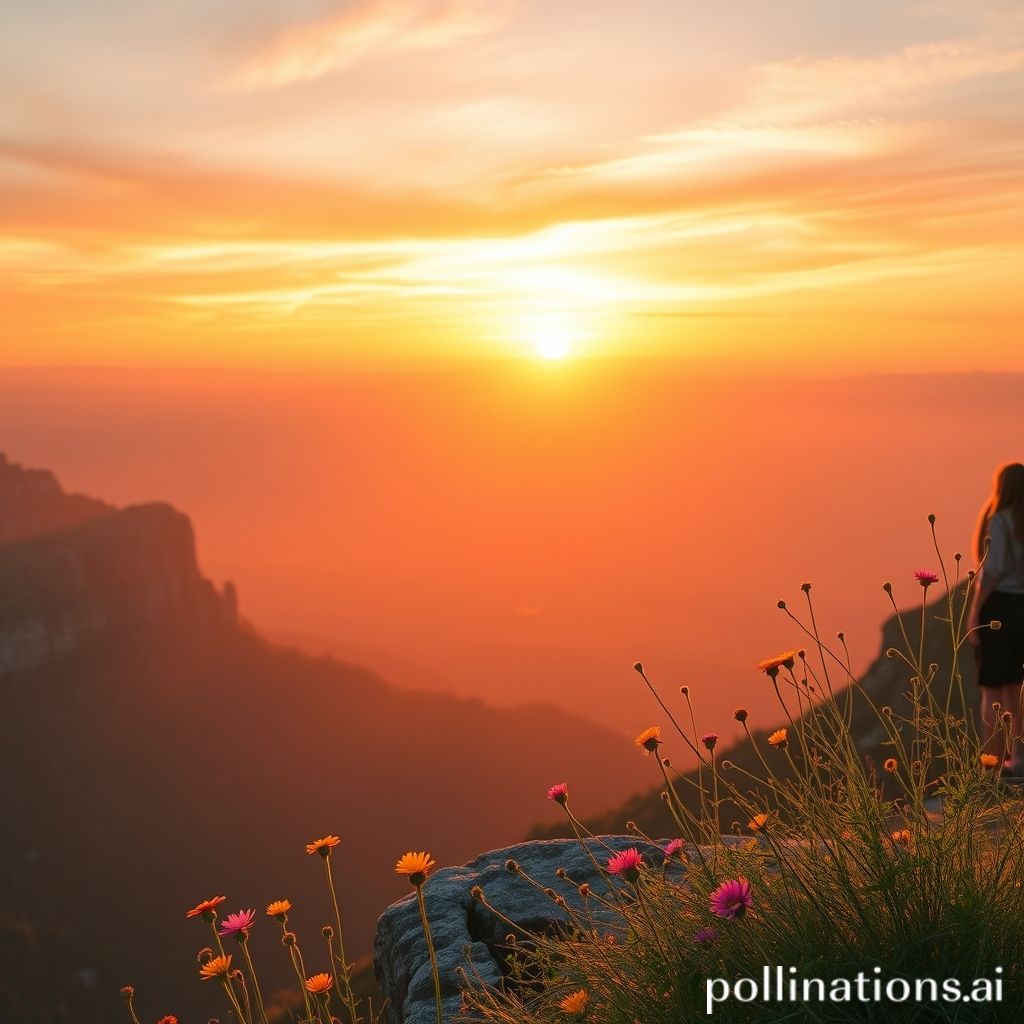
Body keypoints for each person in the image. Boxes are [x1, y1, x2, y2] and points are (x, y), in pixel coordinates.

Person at [968, 462, 1024, 772]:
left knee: (991, 689)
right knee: (1015, 687)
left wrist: (975, 611)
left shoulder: (999, 521)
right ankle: (1019, 759)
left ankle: (992, 761)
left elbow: (993, 570)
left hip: (999, 608)